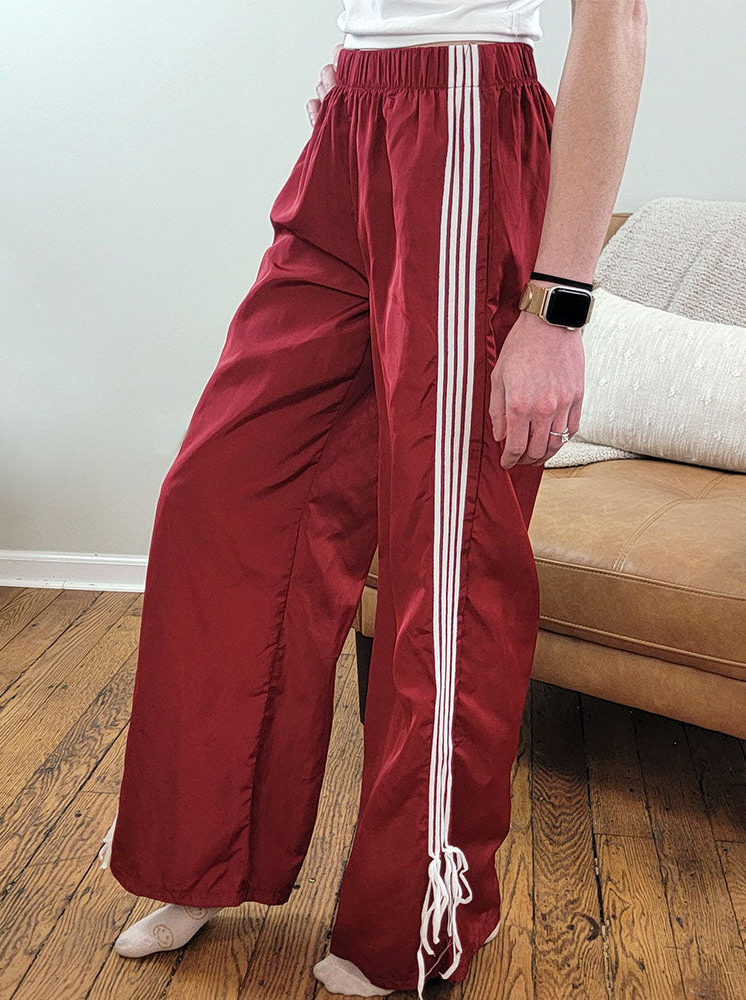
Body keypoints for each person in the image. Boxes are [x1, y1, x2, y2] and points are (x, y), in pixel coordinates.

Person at [97, 1, 647, 997]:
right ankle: (206, 846)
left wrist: (557, 306)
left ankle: (413, 926)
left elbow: (615, 21)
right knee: (220, 499)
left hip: (464, 115)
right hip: (358, 112)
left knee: (445, 556)